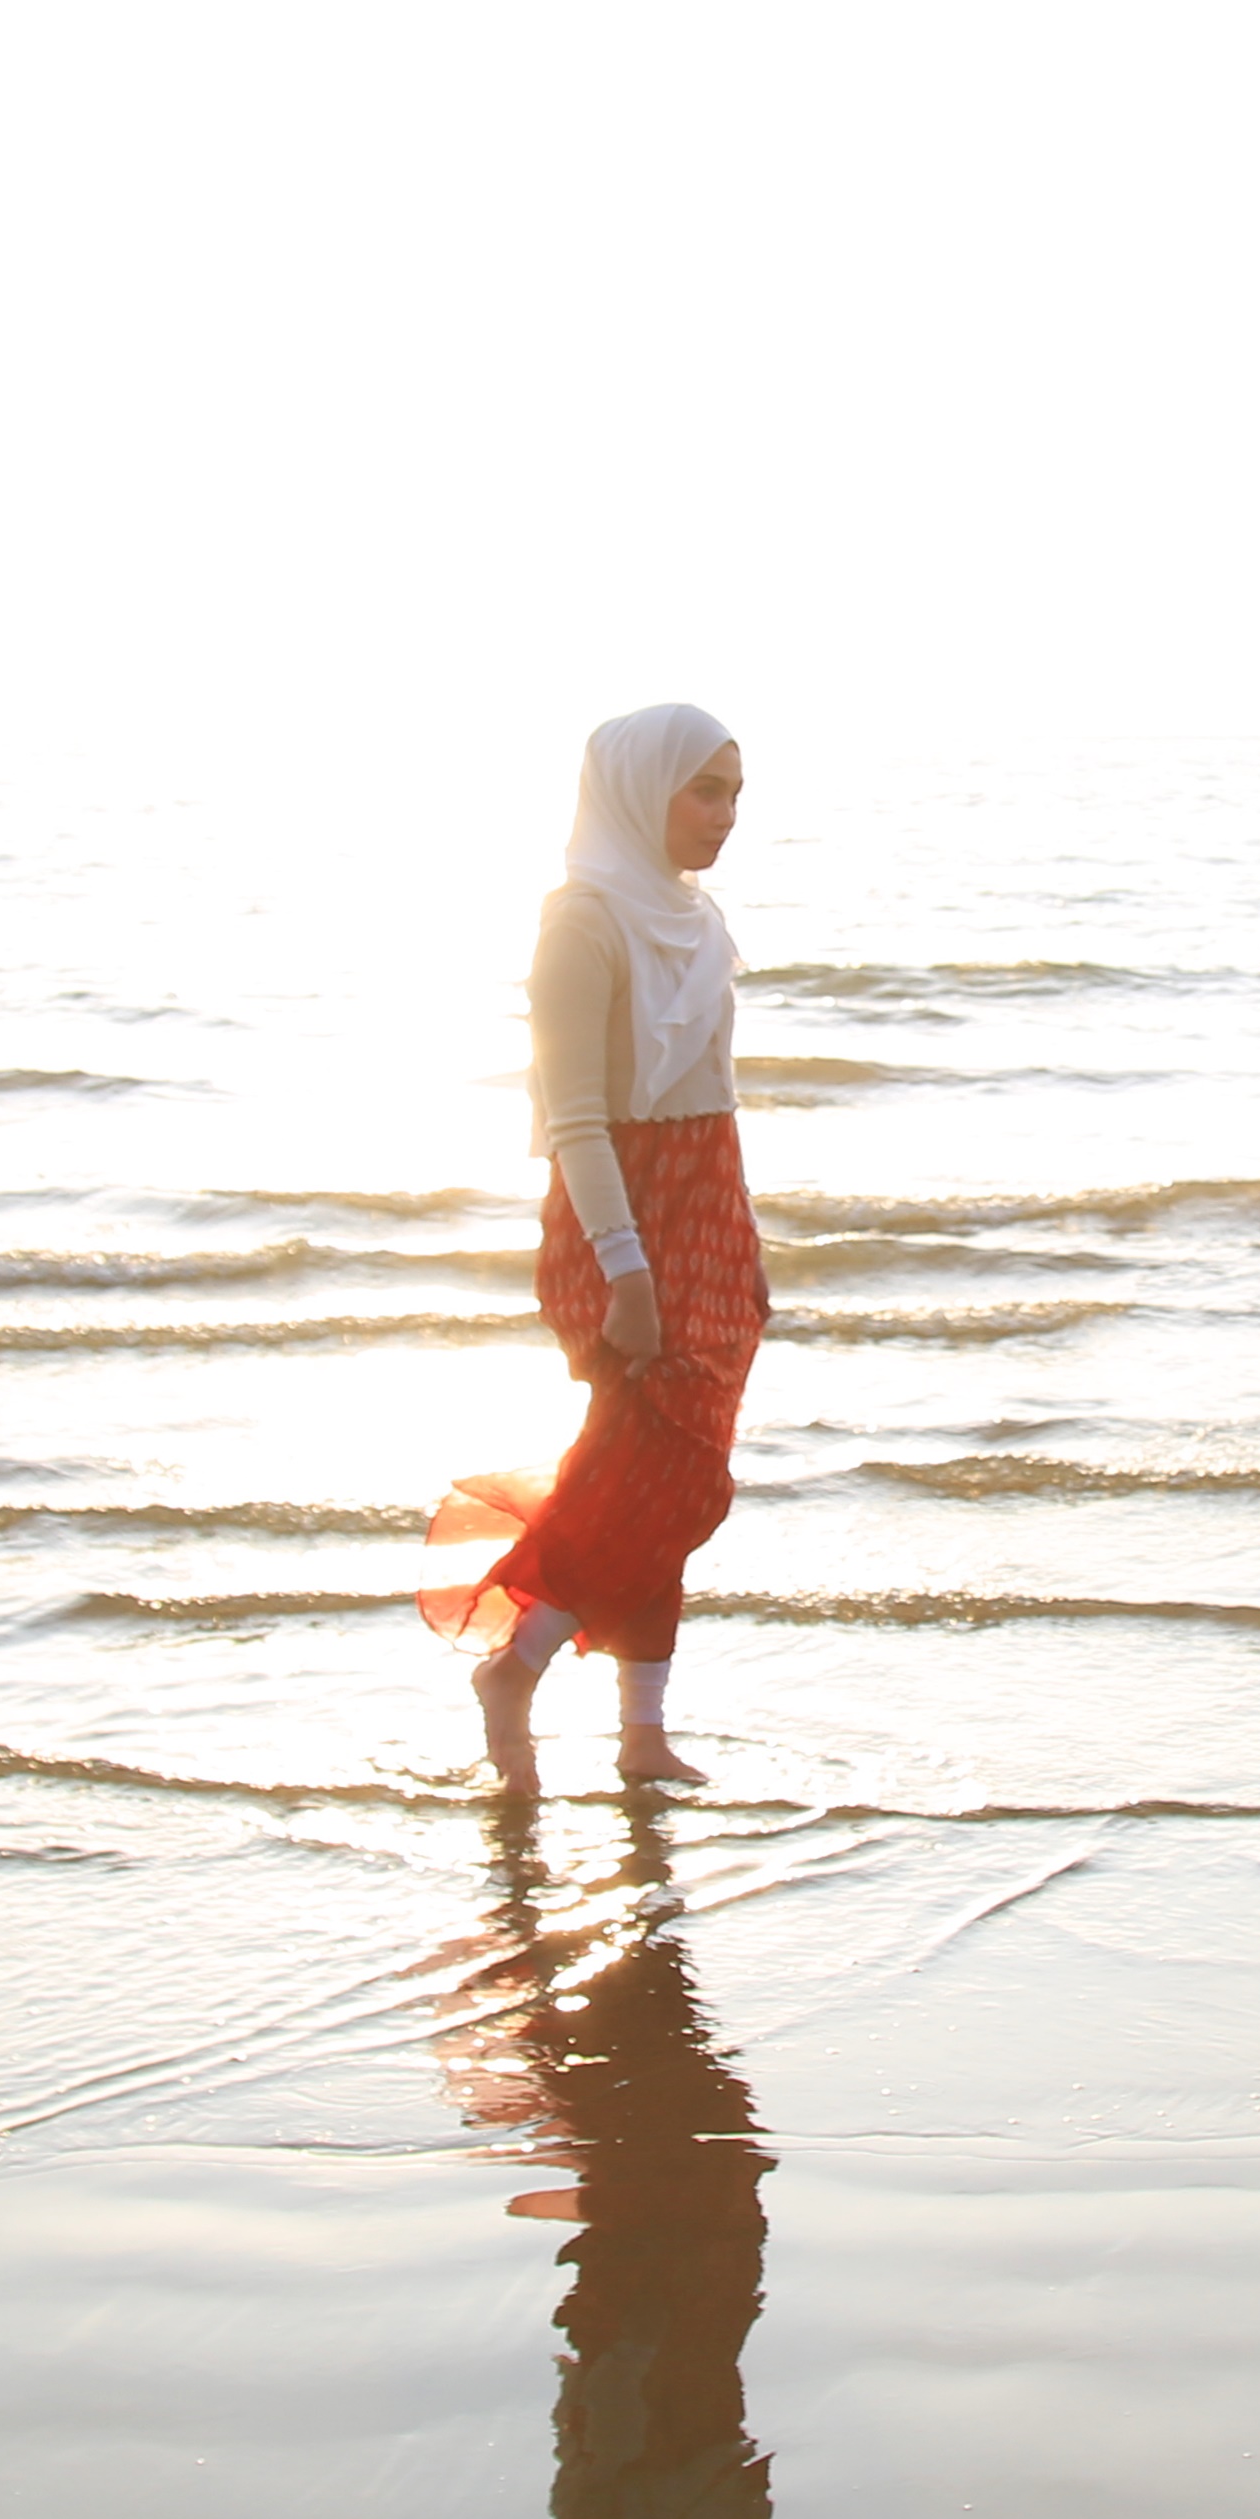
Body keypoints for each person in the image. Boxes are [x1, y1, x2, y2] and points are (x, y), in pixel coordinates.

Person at [423, 706, 764, 1796]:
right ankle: (515, 1664)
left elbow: (714, 1098)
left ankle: (642, 1735)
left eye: (735, 793)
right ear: (637, 790)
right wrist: (626, 1268)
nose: (724, 814)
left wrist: (740, 1241)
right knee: (664, 1474)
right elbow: (576, 1119)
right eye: (703, 789)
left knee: (658, 1473)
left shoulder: (698, 919)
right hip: (621, 1220)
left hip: (707, 1213)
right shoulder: (580, 923)